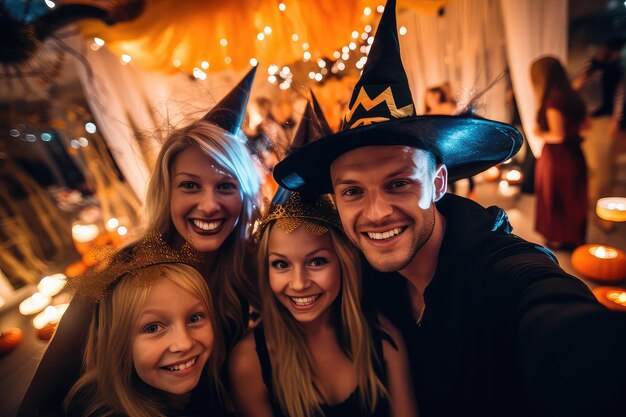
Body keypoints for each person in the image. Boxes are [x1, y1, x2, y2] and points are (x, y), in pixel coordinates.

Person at [273, 1, 626, 416]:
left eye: (399, 183)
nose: (376, 212)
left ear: (438, 182)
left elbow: (550, 311)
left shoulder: (500, 270)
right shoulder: (358, 273)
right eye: (352, 192)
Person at [18, 68, 261, 416]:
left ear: (246, 194)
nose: (209, 205)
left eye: (225, 186)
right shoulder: (117, 274)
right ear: (167, 192)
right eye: (190, 185)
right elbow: (40, 402)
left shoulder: (251, 261)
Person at [229, 97, 417, 417]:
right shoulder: (250, 362)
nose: (299, 283)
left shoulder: (383, 339)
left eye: (317, 261)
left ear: (343, 264)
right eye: (281, 264)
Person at [64, 235, 225, 417]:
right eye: (153, 328)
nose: (184, 343)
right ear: (116, 342)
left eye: (194, 318)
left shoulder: (216, 384)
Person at [530, 56, 590, 250]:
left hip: (558, 157)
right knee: (572, 197)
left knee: (556, 198)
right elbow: (587, 126)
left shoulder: (553, 100)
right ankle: (572, 238)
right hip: (575, 154)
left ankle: (559, 239)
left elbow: (558, 135)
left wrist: (539, 132)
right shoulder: (571, 96)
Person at [572, 37, 626, 204]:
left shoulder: (615, 69)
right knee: (591, 166)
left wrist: (616, 120)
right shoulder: (589, 67)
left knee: (603, 167)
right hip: (585, 121)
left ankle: (600, 205)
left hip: (603, 120)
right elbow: (575, 91)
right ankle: (591, 202)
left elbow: (619, 94)